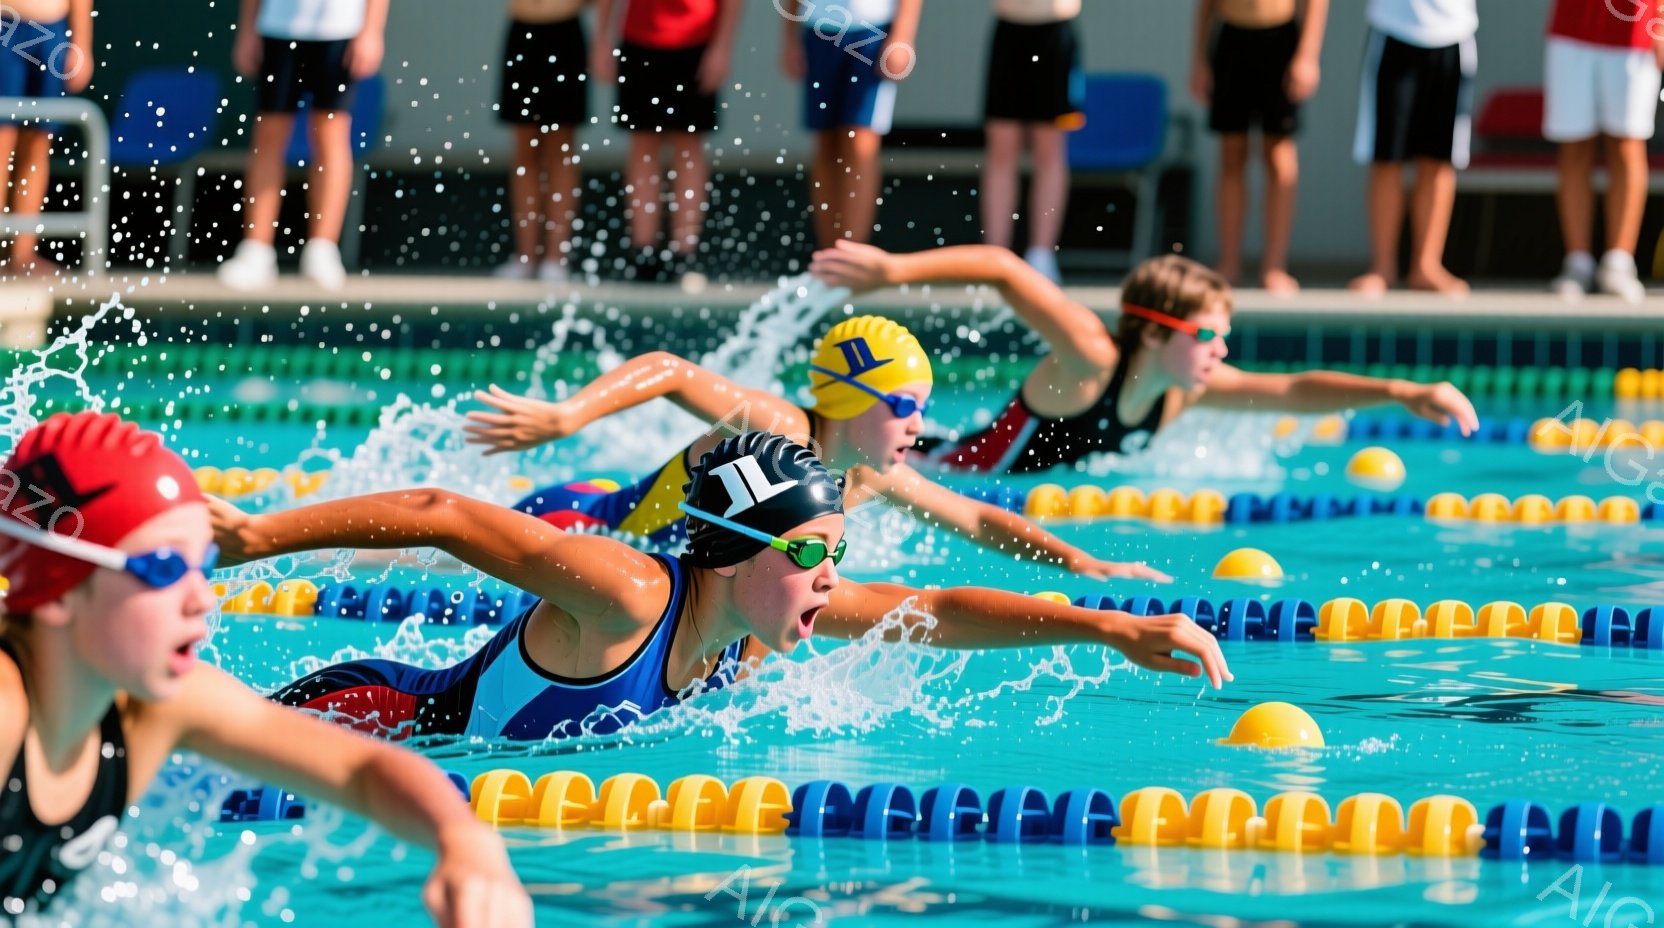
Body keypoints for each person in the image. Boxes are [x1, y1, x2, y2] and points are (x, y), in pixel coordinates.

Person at [210, 432, 1231, 741]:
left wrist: (1108, 623)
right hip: (364, 720)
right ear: (735, 550)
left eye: (834, 556)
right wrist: (252, 535)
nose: (831, 579)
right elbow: (444, 514)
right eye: (808, 555)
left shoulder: (760, 621)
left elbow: (939, 607)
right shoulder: (630, 594)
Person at [0, 413, 530, 924]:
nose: (202, 599)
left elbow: (361, 770)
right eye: (161, 568)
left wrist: (466, 842)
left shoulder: (156, 708)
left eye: (202, 565)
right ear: (56, 591)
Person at [466, 315, 1169, 580]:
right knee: (422, 552)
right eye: (904, 407)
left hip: (640, 564)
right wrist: (566, 416)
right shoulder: (779, 427)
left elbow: (979, 520)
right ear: (849, 397)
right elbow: (669, 371)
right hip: (574, 529)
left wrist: (1083, 560)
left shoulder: (869, 476)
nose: (919, 427)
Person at [808, 241, 1480, 474]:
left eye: (1223, 338)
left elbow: (1295, 390)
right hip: (950, 470)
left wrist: (1399, 391)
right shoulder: (1091, 359)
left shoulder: (1185, 390)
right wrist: (893, 272)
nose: (1220, 352)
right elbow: (1003, 269)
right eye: (1206, 337)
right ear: (1155, 334)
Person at [216, 0, 389, 292]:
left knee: (331, 134)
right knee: (268, 135)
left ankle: (322, 249)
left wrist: (371, 30)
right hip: (276, 28)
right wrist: (247, 30)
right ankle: (256, 250)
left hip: (342, 28)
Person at [591, 0, 742, 290]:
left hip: (697, 40)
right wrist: (601, 38)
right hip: (638, 39)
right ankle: (643, 253)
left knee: (688, 146)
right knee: (643, 144)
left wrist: (722, 46)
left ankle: (684, 254)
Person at [1190, 0, 1328, 295]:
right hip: (1231, 37)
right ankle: (1228, 263)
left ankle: (1274, 265)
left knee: (1278, 154)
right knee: (1231, 153)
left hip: (1281, 40)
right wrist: (1200, 59)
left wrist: (1307, 54)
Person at [1349, 0, 1477, 297]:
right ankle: (1382, 267)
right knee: (1386, 157)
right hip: (1392, 30)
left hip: (1455, 36)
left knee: (1439, 159)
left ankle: (1426, 266)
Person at [1543, 0, 1664, 305]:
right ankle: (1578, 264)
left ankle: (1619, 263)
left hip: (1637, 32)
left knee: (1626, 145)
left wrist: (1660, 23)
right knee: (1574, 146)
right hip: (1571, 31)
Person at [780, 0, 922, 249]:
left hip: (874, 31)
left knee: (860, 144)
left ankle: (852, 254)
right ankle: (827, 257)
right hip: (818, 28)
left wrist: (902, 36)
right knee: (826, 143)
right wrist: (789, 37)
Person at [979, 0, 1083, 285]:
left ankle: (1042, 255)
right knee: (1001, 150)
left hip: (1056, 33)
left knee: (1050, 152)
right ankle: (993, 256)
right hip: (1008, 30)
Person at [493, 0, 594, 283]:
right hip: (523, 28)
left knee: (561, 147)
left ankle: (555, 258)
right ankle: (525, 256)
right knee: (525, 147)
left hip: (565, 30)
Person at [0, 0, 93, 279]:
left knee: (38, 144)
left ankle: (22, 254)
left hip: (51, 29)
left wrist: (82, 45)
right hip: (6, 24)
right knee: (2, 141)